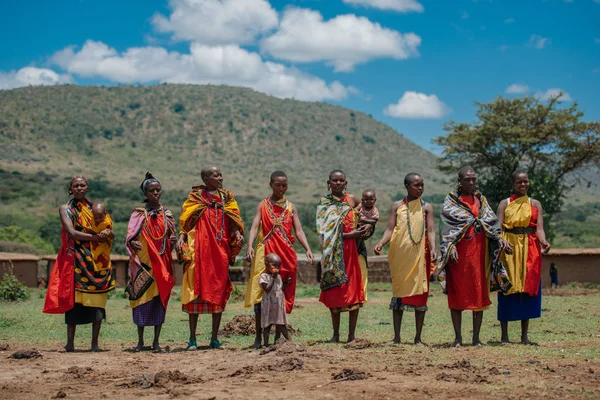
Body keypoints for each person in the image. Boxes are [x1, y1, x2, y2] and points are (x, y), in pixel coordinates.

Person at [435, 166, 512, 347]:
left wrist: (499, 238)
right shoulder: (451, 201)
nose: (471, 182)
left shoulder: (480, 200)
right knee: (457, 292)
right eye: (467, 179)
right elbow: (446, 227)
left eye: (473, 179)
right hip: (459, 254)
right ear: (459, 182)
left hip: (479, 252)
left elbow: (490, 221)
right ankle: (458, 338)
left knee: (478, 291)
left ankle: (476, 338)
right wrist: (449, 245)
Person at [43, 175, 115, 352]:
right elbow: (72, 232)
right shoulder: (65, 209)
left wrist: (107, 233)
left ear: (87, 188)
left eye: (82, 185)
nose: (79, 188)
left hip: (97, 262)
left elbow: (109, 230)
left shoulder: (97, 209)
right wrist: (96, 237)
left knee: (97, 301)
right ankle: (70, 343)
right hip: (76, 259)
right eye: (76, 186)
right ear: (70, 189)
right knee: (74, 301)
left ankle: (94, 344)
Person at [177, 166, 245, 350]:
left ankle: (214, 338)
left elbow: (233, 221)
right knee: (194, 292)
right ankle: (192, 339)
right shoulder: (195, 198)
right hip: (198, 249)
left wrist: (237, 233)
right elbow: (186, 220)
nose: (220, 177)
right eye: (216, 175)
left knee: (218, 292)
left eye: (221, 174)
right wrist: (182, 236)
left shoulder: (227, 198)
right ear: (206, 179)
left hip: (220, 251)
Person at [244, 171, 314, 348]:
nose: (281, 188)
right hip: (264, 253)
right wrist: (249, 245)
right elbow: (253, 227)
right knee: (261, 293)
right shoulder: (263, 205)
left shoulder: (291, 207)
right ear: (271, 185)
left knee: (281, 294)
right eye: (277, 185)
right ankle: (259, 337)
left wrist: (307, 248)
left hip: (284, 255)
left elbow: (298, 231)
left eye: (284, 185)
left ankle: (278, 338)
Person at [374, 173, 436, 345]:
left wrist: (433, 248)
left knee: (420, 295)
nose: (421, 188)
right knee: (399, 295)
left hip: (420, 256)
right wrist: (381, 243)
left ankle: (418, 338)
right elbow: (389, 229)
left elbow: (430, 231)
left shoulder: (426, 207)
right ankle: (397, 337)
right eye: (417, 185)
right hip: (400, 256)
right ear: (407, 187)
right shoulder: (396, 206)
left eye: (422, 185)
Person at [496, 171, 550, 345]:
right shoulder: (505, 204)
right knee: (507, 287)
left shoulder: (535, 204)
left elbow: (539, 228)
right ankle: (504, 336)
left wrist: (543, 241)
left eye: (525, 181)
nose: (523, 185)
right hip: (509, 248)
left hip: (530, 248)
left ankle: (524, 336)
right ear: (513, 184)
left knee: (528, 288)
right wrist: (502, 241)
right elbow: (498, 229)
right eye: (519, 182)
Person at [317, 170, 370, 343]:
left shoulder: (353, 200)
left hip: (352, 252)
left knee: (353, 290)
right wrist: (349, 235)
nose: (338, 183)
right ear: (329, 183)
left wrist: (366, 228)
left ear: (346, 183)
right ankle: (335, 335)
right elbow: (323, 231)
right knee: (335, 291)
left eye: (341, 180)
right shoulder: (324, 203)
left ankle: (351, 336)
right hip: (332, 253)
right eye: (335, 180)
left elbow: (367, 215)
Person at [126, 172, 176, 352]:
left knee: (159, 301)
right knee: (140, 300)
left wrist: (172, 241)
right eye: (152, 190)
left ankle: (156, 342)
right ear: (145, 193)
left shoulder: (167, 214)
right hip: (143, 263)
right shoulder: (138, 215)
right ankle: (140, 342)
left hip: (161, 263)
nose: (156, 193)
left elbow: (172, 237)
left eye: (158, 190)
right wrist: (132, 242)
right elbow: (129, 236)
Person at [259, 253, 291, 346]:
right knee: (267, 325)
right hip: (268, 305)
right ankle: (265, 344)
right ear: (266, 264)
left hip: (278, 304)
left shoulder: (279, 276)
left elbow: (279, 287)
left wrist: (286, 283)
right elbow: (267, 289)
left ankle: (287, 342)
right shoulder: (264, 277)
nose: (276, 267)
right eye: (274, 265)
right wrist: (273, 277)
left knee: (280, 322)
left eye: (278, 266)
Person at [356, 189, 379, 302]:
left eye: (371, 199)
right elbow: (354, 213)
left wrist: (368, 224)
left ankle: (356, 248)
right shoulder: (360, 207)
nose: (368, 202)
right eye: (366, 200)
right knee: (359, 233)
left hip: (367, 226)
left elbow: (375, 220)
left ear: (375, 200)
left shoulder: (374, 210)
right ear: (362, 200)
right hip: (359, 225)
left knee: (361, 234)